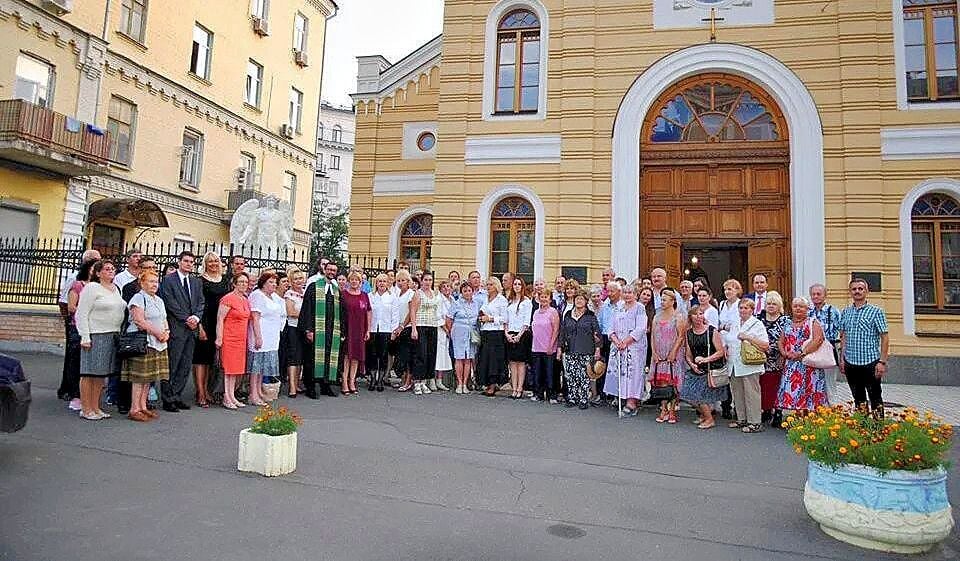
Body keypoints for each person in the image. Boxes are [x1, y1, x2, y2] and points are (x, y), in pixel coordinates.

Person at [75, 260, 126, 420]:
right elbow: (81, 313)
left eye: (112, 268)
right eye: (106, 269)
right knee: (89, 373)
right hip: (95, 335)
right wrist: (84, 336)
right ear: (98, 273)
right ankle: (86, 408)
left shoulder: (116, 289)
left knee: (101, 374)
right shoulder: (92, 288)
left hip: (112, 335)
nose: (111, 271)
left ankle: (96, 407)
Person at [158, 251, 204, 413]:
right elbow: (170, 302)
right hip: (177, 327)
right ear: (179, 262)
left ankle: (177, 395)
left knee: (185, 365)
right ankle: (167, 398)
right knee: (173, 363)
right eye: (186, 261)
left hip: (192, 330)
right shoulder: (169, 280)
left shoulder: (196, 282)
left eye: (192, 262)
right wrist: (187, 319)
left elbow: (200, 302)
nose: (189, 264)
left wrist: (196, 318)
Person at [121, 270, 169, 422]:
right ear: (142, 283)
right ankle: (134, 408)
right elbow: (139, 321)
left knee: (149, 377)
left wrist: (166, 333)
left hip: (158, 343)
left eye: (156, 282)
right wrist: (157, 333)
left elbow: (164, 319)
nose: (154, 284)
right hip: (144, 341)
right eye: (150, 281)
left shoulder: (158, 300)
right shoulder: (138, 298)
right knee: (139, 377)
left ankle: (143, 406)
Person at [838, 278, 889, 418]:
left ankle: (879, 429)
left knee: (875, 397)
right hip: (851, 363)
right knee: (858, 397)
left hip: (870, 362)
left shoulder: (876, 312)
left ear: (866, 291)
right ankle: (863, 426)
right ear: (850, 292)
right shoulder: (846, 312)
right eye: (854, 289)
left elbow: (884, 337)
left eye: (860, 289)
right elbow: (843, 337)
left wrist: (882, 362)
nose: (857, 291)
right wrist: (842, 359)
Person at [722, 298, 769, 433]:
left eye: (746, 308)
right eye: (741, 308)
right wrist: (725, 346)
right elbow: (729, 338)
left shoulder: (757, 324)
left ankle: (755, 422)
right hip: (734, 363)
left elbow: (765, 345)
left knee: (751, 394)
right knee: (737, 392)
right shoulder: (735, 323)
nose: (743, 310)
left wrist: (748, 337)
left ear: (752, 310)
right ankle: (741, 419)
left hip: (750, 364)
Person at [777, 296, 827, 416]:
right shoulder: (788, 323)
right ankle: (799, 417)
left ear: (807, 308)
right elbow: (781, 341)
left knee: (810, 392)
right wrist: (783, 353)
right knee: (795, 392)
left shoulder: (813, 322)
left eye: (801, 306)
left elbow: (818, 340)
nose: (798, 308)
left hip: (809, 363)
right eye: (795, 306)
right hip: (792, 364)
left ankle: (811, 419)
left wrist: (802, 354)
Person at [299, 261, 343, 398]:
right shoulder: (314, 287)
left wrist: (341, 331)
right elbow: (306, 309)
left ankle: (326, 385)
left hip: (331, 331)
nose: (331, 272)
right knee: (312, 358)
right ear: (324, 270)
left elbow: (342, 313)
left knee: (329, 357)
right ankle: (310, 386)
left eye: (334, 270)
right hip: (317, 330)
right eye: (329, 269)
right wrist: (308, 329)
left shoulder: (336, 290)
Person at [603, 284, 648, 416]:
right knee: (619, 372)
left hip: (633, 347)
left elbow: (640, 328)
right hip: (618, 345)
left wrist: (626, 342)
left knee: (632, 374)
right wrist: (616, 340)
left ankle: (632, 402)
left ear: (635, 294)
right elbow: (610, 327)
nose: (627, 295)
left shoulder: (640, 308)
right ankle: (620, 397)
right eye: (625, 292)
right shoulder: (619, 307)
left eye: (630, 292)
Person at [191, 252, 228, 408]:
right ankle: (200, 393)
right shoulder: (200, 281)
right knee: (201, 359)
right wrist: (199, 326)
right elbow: (196, 303)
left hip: (218, 323)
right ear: (205, 263)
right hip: (204, 322)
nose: (213, 263)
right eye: (210, 261)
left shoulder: (224, 280)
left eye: (215, 261)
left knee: (211, 360)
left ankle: (207, 390)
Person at [60, 258, 98, 411]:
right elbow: (71, 307)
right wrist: (87, 314)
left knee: (89, 363)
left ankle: (87, 395)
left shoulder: (98, 287)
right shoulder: (77, 285)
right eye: (94, 267)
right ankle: (74, 394)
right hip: (79, 327)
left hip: (94, 328)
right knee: (76, 361)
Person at [681, 306, 727, 429]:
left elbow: (720, 352)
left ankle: (709, 419)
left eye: (701, 313)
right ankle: (704, 414)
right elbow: (688, 354)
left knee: (699, 395)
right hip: (696, 369)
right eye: (695, 314)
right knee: (685, 394)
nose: (698, 316)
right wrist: (692, 364)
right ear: (690, 317)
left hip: (710, 368)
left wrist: (705, 360)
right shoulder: (688, 333)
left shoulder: (712, 331)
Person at [558, 291, 602, 410]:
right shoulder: (567, 314)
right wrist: (559, 348)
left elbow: (597, 333)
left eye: (581, 299)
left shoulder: (590, 315)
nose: (579, 301)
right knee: (571, 375)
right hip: (570, 349)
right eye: (577, 299)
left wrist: (598, 349)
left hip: (586, 349)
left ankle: (583, 398)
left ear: (586, 301)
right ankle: (572, 397)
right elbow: (562, 332)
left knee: (584, 375)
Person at [246, 272, 286, 405]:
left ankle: (259, 391)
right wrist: (258, 337)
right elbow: (255, 317)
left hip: (272, 337)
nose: (274, 285)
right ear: (263, 283)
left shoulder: (273, 297)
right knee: (256, 366)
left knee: (263, 367)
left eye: (275, 282)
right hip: (261, 334)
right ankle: (253, 394)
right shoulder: (257, 295)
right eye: (271, 282)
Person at [650, 288, 686, 424]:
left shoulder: (678, 316)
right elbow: (653, 336)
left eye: (664, 300)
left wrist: (673, 352)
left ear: (672, 301)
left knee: (673, 381)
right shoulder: (657, 316)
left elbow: (681, 336)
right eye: (661, 300)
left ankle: (672, 410)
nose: (662, 302)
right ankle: (663, 408)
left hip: (673, 353)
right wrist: (653, 352)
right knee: (661, 381)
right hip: (659, 352)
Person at [216, 273, 251, 409]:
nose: (243, 284)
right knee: (229, 369)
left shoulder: (245, 299)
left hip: (241, 339)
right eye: (241, 282)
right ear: (234, 283)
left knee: (236, 370)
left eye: (245, 282)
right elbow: (220, 319)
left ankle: (232, 395)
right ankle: (226, 396)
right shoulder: (227, 299)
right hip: (229, 338)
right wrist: (219, 338)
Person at [809, 283, 841, 404]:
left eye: (819, 294)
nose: (816, 296)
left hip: (828, 350)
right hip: (812, 350)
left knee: (829, 384)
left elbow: (842, 332)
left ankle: (833, 410)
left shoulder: (833, 312)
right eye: (813, 294)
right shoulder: (809, 312)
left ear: (825, 295)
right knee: (813, 383)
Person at [759, 291, 788, 428]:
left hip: (778, 358)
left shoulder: (785, 320)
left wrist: (783, 355)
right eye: (768, 303)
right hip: (762, 358)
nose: (771, 306)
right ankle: (766, 410)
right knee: (764, 386)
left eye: (774, 304)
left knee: (778, 386)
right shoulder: (759, 319)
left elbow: (788, 340)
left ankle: (778, 412)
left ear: (779, 306)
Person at [340, 271, 372, 396]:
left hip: (360, 329)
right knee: (347, 356)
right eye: (352, 279)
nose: (354, 282)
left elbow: (368, 312)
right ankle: (344, 382)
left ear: (360, 282)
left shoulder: (364, 295)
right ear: (349, 281)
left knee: (356, 356)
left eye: (356, 280)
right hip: (348, 329)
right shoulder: (343, 294)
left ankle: (352, 381)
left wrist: (368, 329)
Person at [477, 277, 509, 397]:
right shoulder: (485, 299)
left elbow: (505, 318)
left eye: (491, 284)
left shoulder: (502, 300)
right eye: (487, 284)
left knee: (494, 360)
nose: (488, 286)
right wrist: (482, 317)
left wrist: (490, 319)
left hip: (496, 332)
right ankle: (487, 382)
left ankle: (493, 383)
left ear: (496, 286)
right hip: (485, 331)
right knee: (485, 358)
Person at [446, 282, 480, 394]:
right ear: (461, 292)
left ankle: (465, 383)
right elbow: (449, 319)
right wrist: (451, 332)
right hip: (459, 331)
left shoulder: (477, 303)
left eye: (469, 290)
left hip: (471, 332)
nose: (467, 293)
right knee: (459, 357)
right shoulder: (456, 303)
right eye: (465, 291)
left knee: (468, 358)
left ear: (472, 291)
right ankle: (459, 383)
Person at [411, 272, 440, 395]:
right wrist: (414, 328)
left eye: (430, 280)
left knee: (430, 354)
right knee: (420, 354)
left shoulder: (435, 294)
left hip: (432, 326)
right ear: (421, 281)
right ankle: (417, 382)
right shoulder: (418, 294)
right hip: (421, 326)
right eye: (426, 280)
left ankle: (424, 381)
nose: (428, 282)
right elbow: (413, 310)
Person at [504, 277, 532, 399]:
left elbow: (526, 321)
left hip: (522, 334)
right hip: (510, 333)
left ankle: (520, 388)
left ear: (522, 286)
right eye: (514, 284)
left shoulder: (527, 302)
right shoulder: (509, 301)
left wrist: (519, 335)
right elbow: (506, 320)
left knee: (520, 363)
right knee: (512, 362)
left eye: (519, 284)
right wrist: (506, 333)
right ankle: (513, 388)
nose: (516, 286)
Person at [529, 290, 560, 402]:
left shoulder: (553, 312)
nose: (543, 299)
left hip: (549, 347)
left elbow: (556, 330)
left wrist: (551, 346)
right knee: (537, 372)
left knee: (550, 372)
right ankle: (539, 393)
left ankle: (552, 395)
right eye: (541, 297)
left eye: (546, 297)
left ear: (550, 299)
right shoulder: (536, 312)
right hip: (536, 346)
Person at [368, 274, 396, 392]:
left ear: (387, 283)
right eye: (379, 281)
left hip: (386, 330)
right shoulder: (370, 296)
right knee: (372, 355)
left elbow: (395, 315)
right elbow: (367, 313)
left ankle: (380, 380)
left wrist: (393, 331)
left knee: (383, 356)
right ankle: (373, 379)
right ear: (376, 283)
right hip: (373, 329)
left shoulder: (392, 297)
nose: (382, 283)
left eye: (384, 281)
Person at [392, 270, 417, 392]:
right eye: (399, 280)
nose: (401, 283)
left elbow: (410, 313)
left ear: (408, 282)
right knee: (400, 356)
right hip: (397, 329)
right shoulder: (397, 294)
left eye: (403, 280)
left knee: (407, 357)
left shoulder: (411, 294)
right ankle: (403, 379)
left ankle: (408, 381)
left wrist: (402, 326)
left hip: (406, 328)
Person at [284, 269, 307, 397]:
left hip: (303, 328)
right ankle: (292, 387)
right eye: (296, 279)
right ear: (291, 281)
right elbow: (291, 312)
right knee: (293, 357)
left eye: (300, 278)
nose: (299, 281)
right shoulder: (289, 294)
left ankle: (297, 383)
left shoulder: (304, 293)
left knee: (300, 358)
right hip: (293, 328)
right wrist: (306, 315)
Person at [433, 279, 453, 391]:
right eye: (444, 287)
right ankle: (433, 379)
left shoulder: (451, 300)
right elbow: (438, 316)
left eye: (448, 287)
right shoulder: (439, 299)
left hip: (448, 331)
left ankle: (439, 380)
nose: (446, 289)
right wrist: (446, 330)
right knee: (438, 355)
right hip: (440, 330)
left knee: (443, 356)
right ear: (440, 289)